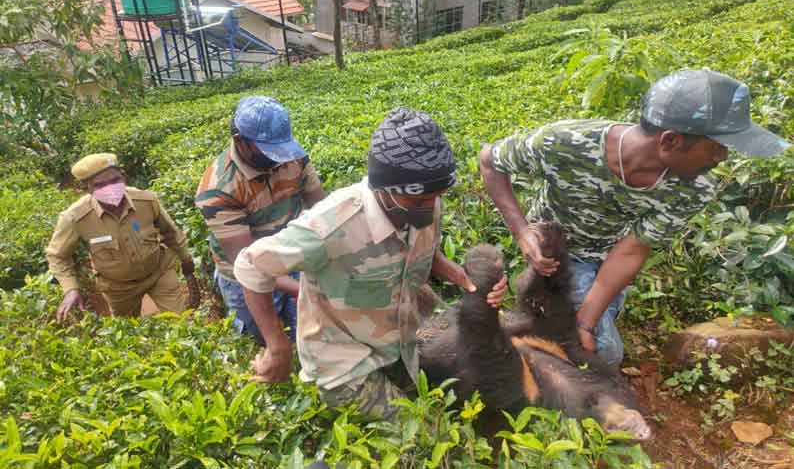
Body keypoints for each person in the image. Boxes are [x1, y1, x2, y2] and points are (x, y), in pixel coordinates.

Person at [479, 69, 790, 367]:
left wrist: (586, 324)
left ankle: (583, 307)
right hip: (555, 250)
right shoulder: (564, 142)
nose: (723, 158)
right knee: (591, 350)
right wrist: (521, 232)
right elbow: (490, 161)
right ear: (670, 141)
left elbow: (633, 249)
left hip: (608, 257)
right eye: (717, 148)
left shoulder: (696, 187)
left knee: (601, 351)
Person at [233, 107, 508, 418]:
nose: (429, 208)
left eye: (437, 196)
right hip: (345, 365)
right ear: (385, 190)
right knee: (425, 439)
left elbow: (424, 251)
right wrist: (277, 348)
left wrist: (462, 277)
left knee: (461, 400)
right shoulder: (331, 226)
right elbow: (249, 266)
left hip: (398, 345)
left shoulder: (424, 196)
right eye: (418, 201)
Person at [195, 96, 325, 346]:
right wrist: (309, 292)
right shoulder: (219, 189)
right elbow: (249, 264)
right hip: (246, 277)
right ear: (240, 142)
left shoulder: (294, 158)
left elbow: (321, 211)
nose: (278, 159)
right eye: (268, 151)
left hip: (293, 259)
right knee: (265, 341)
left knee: (308, 334)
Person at [47, 153, 196, 321]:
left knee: (182, 322)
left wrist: (185, 258)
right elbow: (57, 256)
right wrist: (70, 289)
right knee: (127, 333)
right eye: (100, 185)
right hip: (118, 288)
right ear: (87, 188)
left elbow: (170, 232)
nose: (110, 188)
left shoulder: (145, 200)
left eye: (114, 180)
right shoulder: (75, 218)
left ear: (123, 177)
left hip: (158, 273)